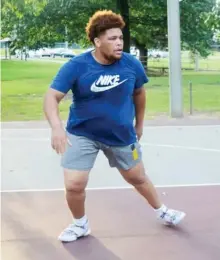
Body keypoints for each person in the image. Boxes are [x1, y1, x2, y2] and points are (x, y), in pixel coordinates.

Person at [43, 10, 186, 243]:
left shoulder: (131, 64)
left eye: (120, 38)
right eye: (112, 39)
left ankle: (162, 210)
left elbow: (139, 92)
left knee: (138, 178)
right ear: (97, 42)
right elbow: (51, 97)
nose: (119, 43)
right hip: (82, 134)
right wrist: (56, 127)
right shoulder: (77, 66)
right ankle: (80, 224)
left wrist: (139, 124)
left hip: (121, 135)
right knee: (74, 184)